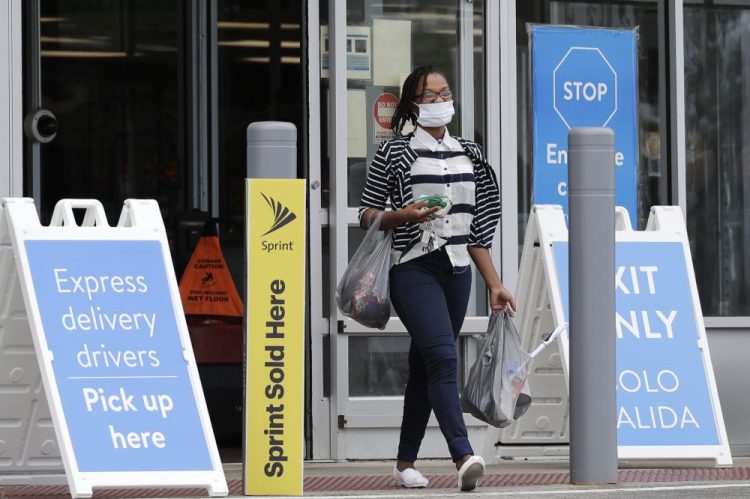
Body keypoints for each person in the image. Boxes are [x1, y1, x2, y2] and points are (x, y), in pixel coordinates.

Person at [359, 65, 517, 492]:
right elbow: (366, 213)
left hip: (458, 271)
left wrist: (494, 283)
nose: (440, 101)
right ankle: (463, 454)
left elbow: (477, 227)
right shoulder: (396, 153)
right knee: (444, 358)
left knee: (424, 364)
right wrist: (402, 215)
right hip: (413, 267)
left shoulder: (471, 152)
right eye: (430, 96)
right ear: (414, 105)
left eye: (445, 93)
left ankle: (404, 462)